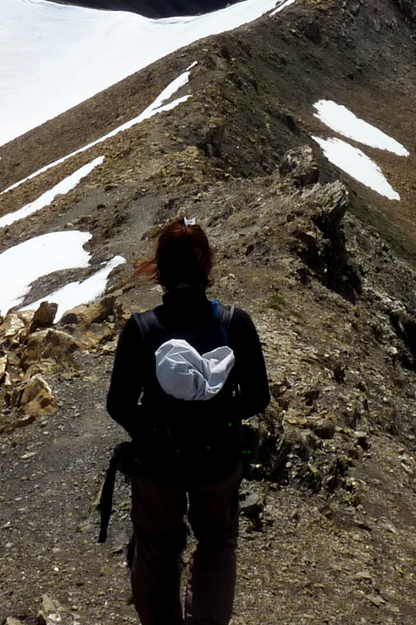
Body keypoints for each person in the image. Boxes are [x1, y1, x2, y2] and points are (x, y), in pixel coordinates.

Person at [105, 218, 270, 625]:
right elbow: (258, 396)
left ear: (160, 268)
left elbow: (117, 403)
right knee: (217, 543)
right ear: (206, 266)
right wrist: (225, 416)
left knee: (157, 546)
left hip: (158, 463)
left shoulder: (141, 329)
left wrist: (145, 427)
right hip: (219, 461)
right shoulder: (235, 324)